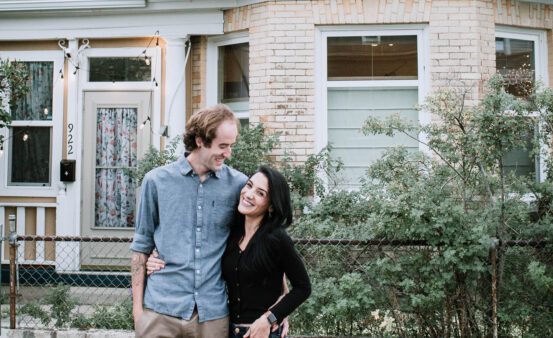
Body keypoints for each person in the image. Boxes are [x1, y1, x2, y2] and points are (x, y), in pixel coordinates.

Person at [147, 165, 312, 338]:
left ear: (271, 206)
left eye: (260, 193)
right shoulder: (232, 234)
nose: (249, 194)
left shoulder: (276, 238)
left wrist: (271, 317)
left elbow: (303, 288)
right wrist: (155, 258)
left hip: (263, 333)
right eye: (249, 185)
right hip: (230, 331)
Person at [130, 104, 248, 338]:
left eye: (231, 146)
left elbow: (261, 240)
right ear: (200, 141)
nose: (228, 153)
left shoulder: (239, 185)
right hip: (160, 311)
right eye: (222, 146)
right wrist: (138, 314)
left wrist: (279, 306)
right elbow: (141, 247)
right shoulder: (156, 181)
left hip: (212, 315)